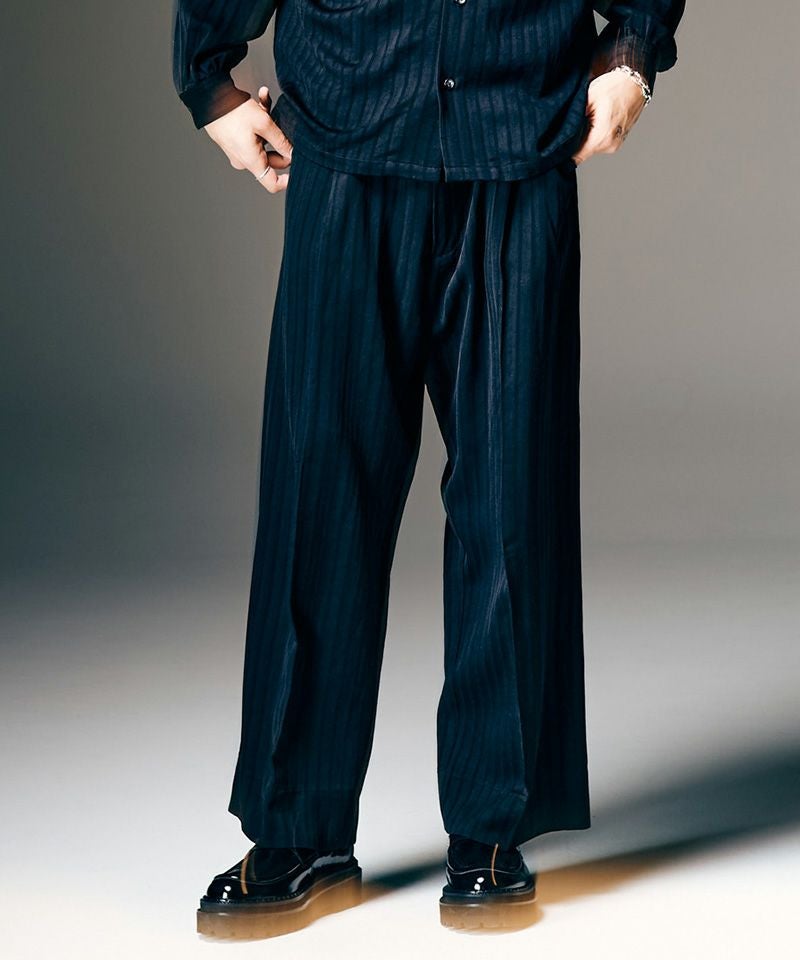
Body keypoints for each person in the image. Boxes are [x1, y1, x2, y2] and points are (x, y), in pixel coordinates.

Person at [171, 0, 686, 936]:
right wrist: (208, 80)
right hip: (349, 137)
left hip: (515, 140)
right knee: (318, 498)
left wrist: (633, 53)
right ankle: (298, 828)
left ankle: (492, 822)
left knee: (512, 494)